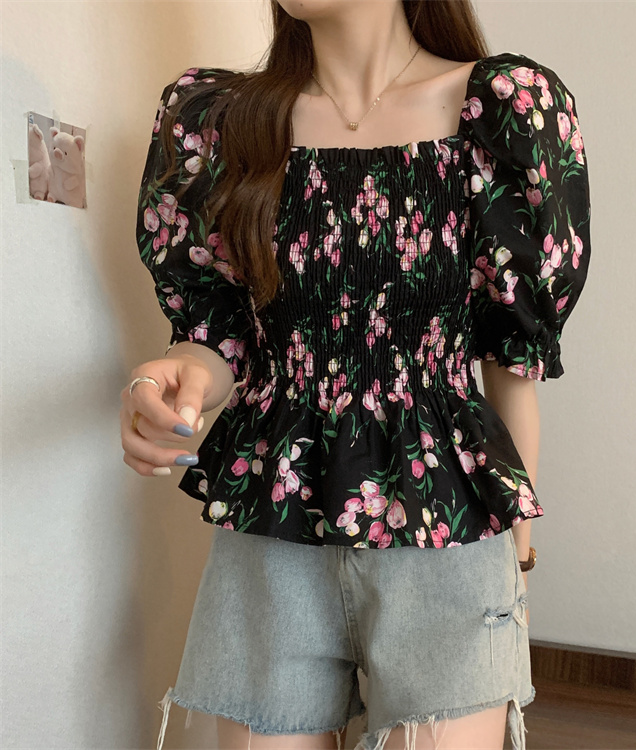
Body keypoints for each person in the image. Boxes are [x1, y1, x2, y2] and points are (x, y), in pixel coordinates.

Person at [121, 1, 591, 748]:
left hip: (447, 532)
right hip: (270, 528)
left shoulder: (501, 114)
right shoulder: (221, 124)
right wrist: (176, 377)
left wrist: (520, 556)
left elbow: (513, 362)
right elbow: (221, 337)